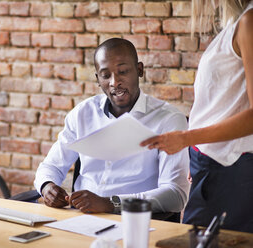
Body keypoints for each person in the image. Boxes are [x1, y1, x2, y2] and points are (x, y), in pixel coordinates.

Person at [34, 38, 190, 214]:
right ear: (97, 79)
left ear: (139, 70)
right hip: (80, 219)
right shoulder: (83, 114)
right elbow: (51, 166)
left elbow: (176, 195)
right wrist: (47, 186)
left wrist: (111, 204)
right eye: (105, 75)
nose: (114, 82)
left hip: (134, 222)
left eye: (122, 71)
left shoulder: (168, 120)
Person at [141, 0, 253, 233]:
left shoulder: (248, 23)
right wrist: (197, 152)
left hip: (230, 171)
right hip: (213, 166)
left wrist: (186, 138)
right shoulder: (237, 23)